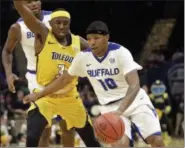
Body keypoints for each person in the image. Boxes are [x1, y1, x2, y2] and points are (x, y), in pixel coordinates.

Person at [25, 21, 165, 147]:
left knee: (156, 141)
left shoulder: (120, 52)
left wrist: (120, 111)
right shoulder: (83, 57)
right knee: (120, 145)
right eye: (89, 39)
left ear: (106, 38)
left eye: (96, 38)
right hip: (109, 107)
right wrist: (39, 94)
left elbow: (134, 85)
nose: (92, 42)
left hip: (135, 101)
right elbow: (63, 80)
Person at [13, 1, 101, 147]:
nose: (61, 26)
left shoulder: (78, 42)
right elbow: (23, 11)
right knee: (33, 135)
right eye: (57, 23)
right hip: (45, 96)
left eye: (65, 23)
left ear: (70, 24)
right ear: (50, 24)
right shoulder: (43, 34)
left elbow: (99, 55)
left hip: (69, 97)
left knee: (91, 141)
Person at [2, 0, 76, 147]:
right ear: (22, 6)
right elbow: (7, 51)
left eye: (36, 0)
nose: (34, 4)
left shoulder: (55, 19)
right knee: (44, 129)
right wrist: (9, 73)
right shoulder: (17, 27)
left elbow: (70, 44)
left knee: (68, 126)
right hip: (36, 79)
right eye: (29, 2)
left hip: (59, 75)